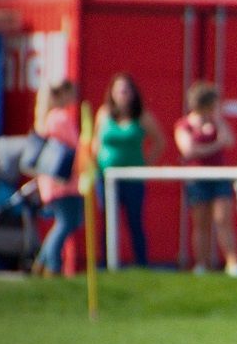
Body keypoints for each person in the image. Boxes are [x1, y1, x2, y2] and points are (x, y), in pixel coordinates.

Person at [95, 73, 166, 267]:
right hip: (106, 177)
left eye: (127, 90)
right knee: (108, 221)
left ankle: (141, 263)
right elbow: (96, 142)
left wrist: (145, 164)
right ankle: (107, 263)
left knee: (135, 221)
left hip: (133, 178)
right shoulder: (104, 114)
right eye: (119, 90)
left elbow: (160, 141)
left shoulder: (141, 116)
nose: (123, 94)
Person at [174, 81, 237, 275]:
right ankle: (201, 264)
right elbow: (188, 150)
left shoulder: (216, 122)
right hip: (197, 178)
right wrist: (214, 145)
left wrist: (217, 122)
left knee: (223, 219)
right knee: (201, 222)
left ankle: (232, 262)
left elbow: (229, 141)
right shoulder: (185, 124)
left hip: (219, 176)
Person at [33, 77, 83, 276]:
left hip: (50, 182)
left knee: (63, 221)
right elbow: (76, 147)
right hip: (64, 182)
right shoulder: (60, 118)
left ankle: (41, 262)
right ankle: (53, 265)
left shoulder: (46, 118)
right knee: (68, 222)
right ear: (62, 94)